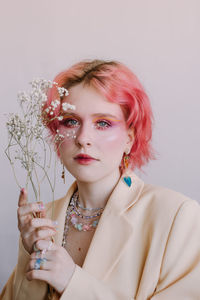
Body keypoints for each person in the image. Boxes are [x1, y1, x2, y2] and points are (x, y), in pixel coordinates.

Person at [1, 59, 200, 300]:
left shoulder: (177, 216)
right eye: (71, 121)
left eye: (103, 123)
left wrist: (73, 282)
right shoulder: (43, 220)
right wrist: (30, 254)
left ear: (129, 138)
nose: (83, 138)